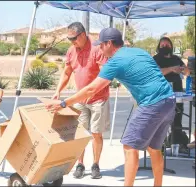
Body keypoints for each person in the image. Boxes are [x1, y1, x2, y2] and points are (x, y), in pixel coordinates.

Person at [46, 28, 176, 186]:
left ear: (109, 43)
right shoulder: (138, 52)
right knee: (154, 148)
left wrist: (63, 103)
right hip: (169, 99)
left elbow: (91, 89)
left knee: (129, 146)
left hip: (152, 103)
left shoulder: (114, 62)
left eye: (101, 45)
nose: (99, 48)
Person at [51, 22, 110, 179]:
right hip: (80, 99)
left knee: (96, 133)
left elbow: (105, 75)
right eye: (69, 39)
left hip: (98, 99)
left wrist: (94, 91)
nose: (72, 42)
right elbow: (67, 72)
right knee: (79, 133)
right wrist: (58, 91)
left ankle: (96, 165)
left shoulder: (97, 49)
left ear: (83, 35)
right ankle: (80, 164)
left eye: (74, 39)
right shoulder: (71, 51)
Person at [153, 37, 190, 151]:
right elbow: (156, 71)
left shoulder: (176, 58)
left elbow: (187, 72)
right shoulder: (156, 58)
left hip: (178, 91)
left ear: (171, 46)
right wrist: (171, 69)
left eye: (167, 44)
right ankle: (159, 144)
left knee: (177, 118)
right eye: (162, 45)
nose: (165, 46)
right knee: (162, 119)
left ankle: (177, 142)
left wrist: (183, 69)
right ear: (159, 47)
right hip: (162, 92)